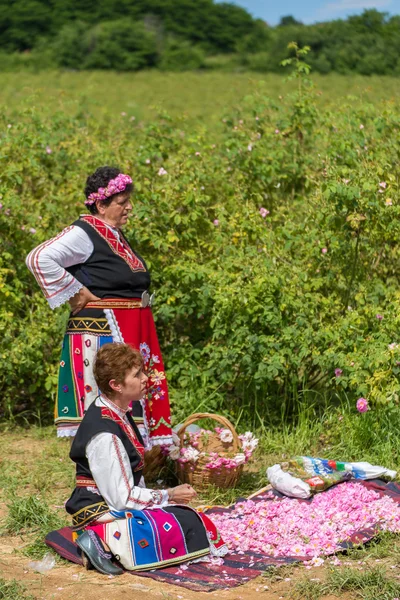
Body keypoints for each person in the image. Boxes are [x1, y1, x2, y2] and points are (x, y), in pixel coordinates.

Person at [26, 166, 172, 448]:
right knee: (110, 406)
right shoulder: (84, 233)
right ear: (101, 204)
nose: (129, 208)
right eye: (121, 203)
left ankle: (132, 466)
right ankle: (108, 470)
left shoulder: (113, 234)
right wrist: (75, 291)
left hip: (130, 327)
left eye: (129, 201)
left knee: (131, 400)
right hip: (103, 332)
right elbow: (39, 258)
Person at [66, 343, 227, 574]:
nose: (145, 378)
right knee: (188, 522)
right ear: (116, 385)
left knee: (183, 516)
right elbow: (122, 499)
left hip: (112, 500)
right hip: (100, 509)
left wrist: (162, 499)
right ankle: (99, 539)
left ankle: (105, 540)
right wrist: (168, 494)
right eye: (136, 374)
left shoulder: (116, 411)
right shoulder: (105, 435)